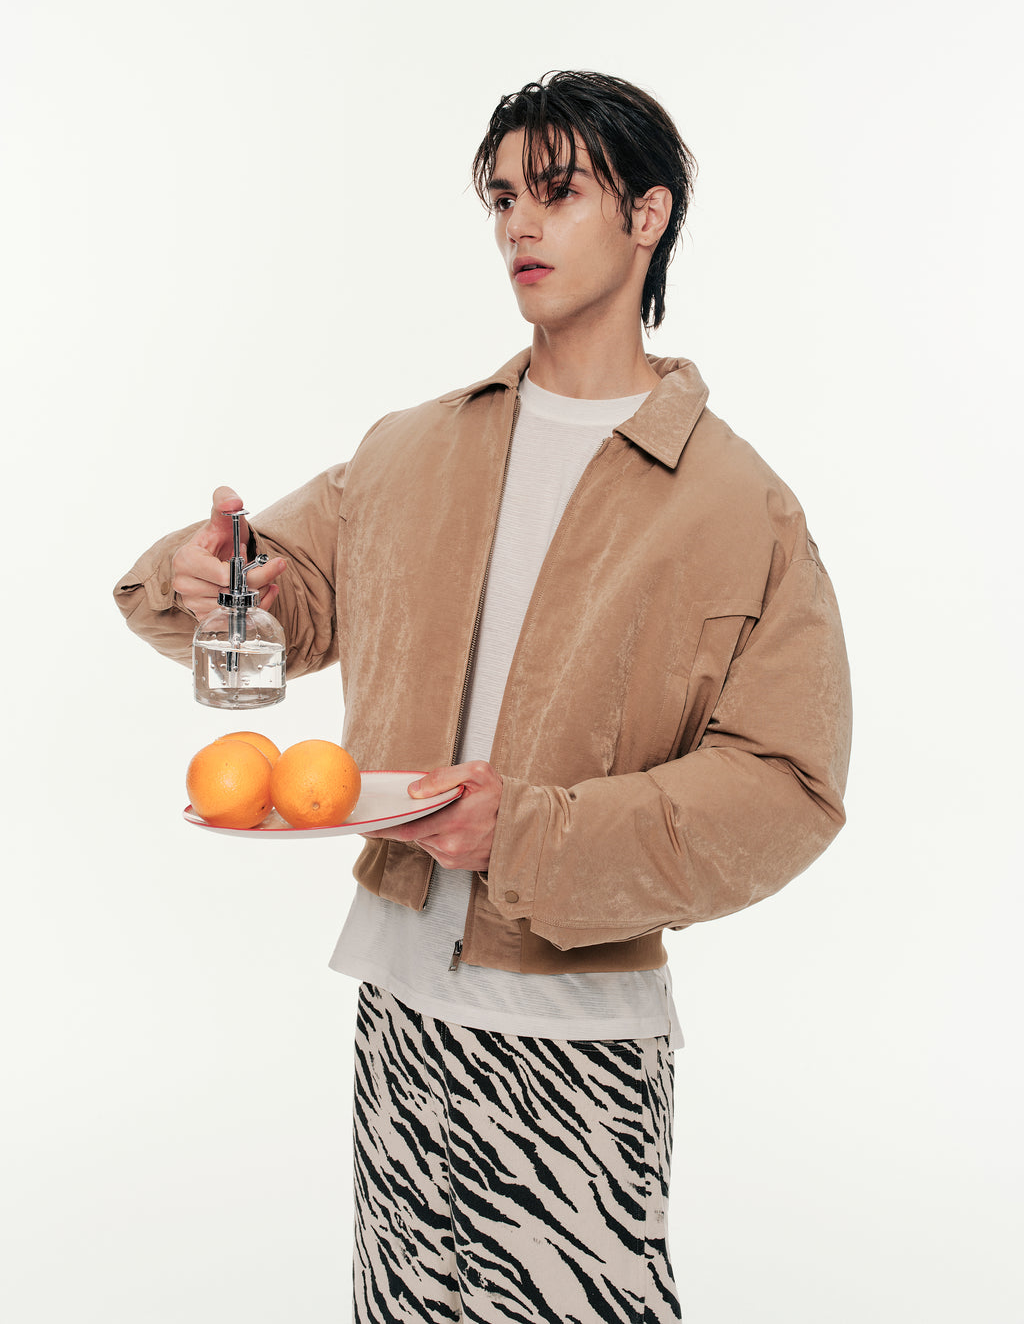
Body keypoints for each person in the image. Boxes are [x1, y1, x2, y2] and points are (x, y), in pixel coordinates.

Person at [115, 71, 853, 1324]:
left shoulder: (741, 507)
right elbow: (282, 601)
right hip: (402, 1006)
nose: (519, 223)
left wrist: (529, 833)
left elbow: (788, 785)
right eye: (502, 196)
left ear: (648, 216)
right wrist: (207, 576)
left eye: (559, 192)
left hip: (578, 1030)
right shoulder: (414, 448)